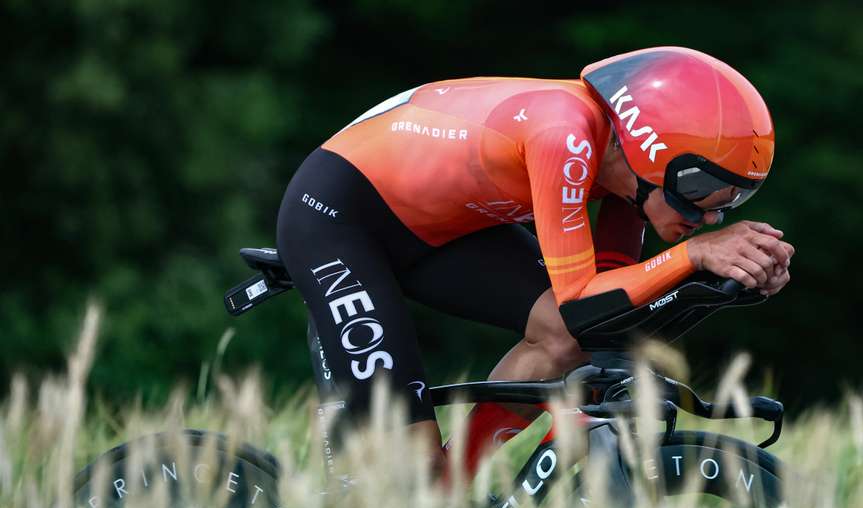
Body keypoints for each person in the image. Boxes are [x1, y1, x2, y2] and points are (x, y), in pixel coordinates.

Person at [275, 46, 794, 474]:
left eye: (732, 202)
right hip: (340, 217)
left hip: (438, 229)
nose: (710, 218)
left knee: (566, 341)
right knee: (406, 472)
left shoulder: (625, 174)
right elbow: (580, 301)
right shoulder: (564, 135)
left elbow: (605, 319)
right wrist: (695, 256)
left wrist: (723, 280)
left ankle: (454, 486)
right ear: (651, 153)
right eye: (702, 193)